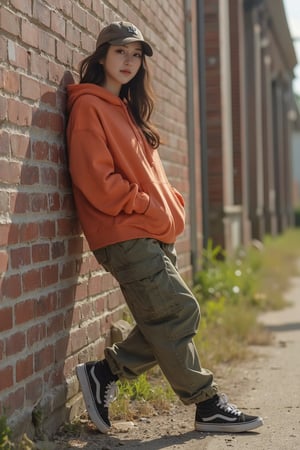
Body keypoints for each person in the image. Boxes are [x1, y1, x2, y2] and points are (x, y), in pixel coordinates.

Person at [66, 21, 263, 434]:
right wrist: (147, 207)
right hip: (125, 233)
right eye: (121, 52)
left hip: (150, 232)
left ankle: (106, 373)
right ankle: (205, 402)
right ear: (101, 56)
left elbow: (147, 175)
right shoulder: (89, 107)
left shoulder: (128, 111)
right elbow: (96, 181)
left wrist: (170, 203)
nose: (129, 61)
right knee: (179, 311)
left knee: (165, 319)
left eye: (136, 55)